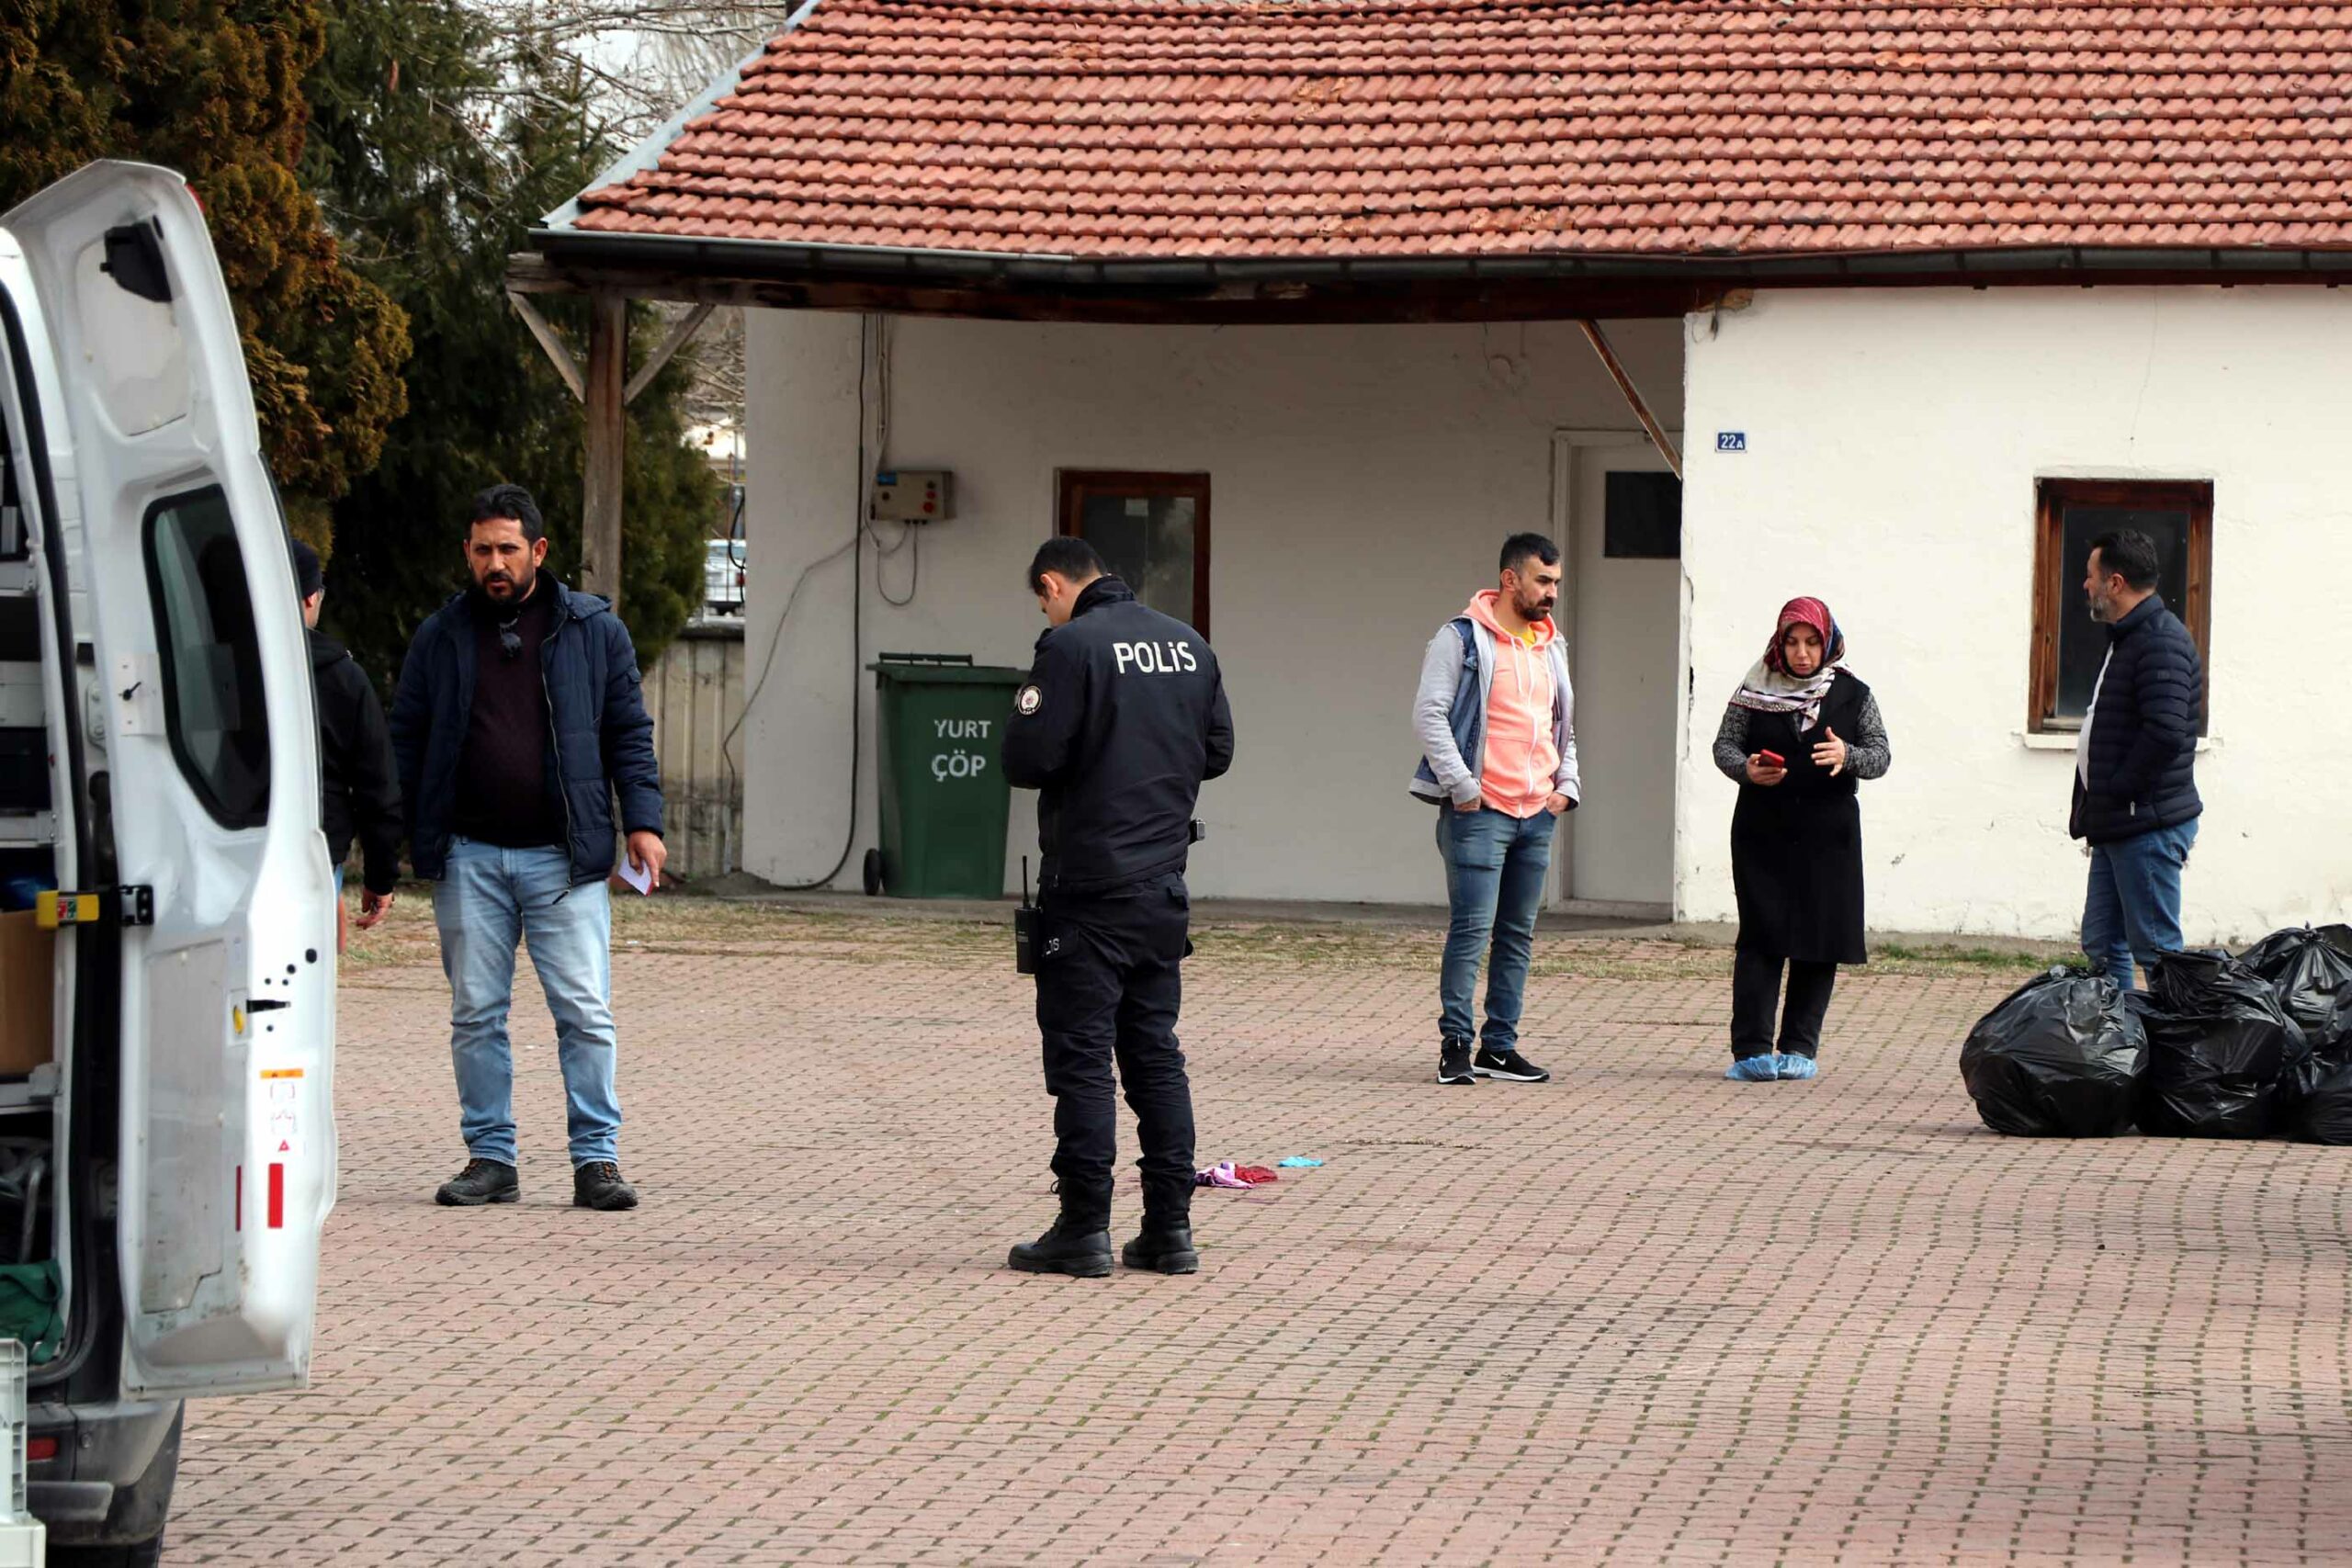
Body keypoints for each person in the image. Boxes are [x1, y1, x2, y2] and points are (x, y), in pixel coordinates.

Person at [389, 484, 665, 1212]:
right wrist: (392, 842)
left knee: (583, 1010)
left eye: (508, 547)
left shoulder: (593, 630)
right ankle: (491, 1157)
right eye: (482, 549)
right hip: (469, 855)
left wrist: (644, 822)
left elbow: (628, 732)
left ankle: (596, 1160)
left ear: (539, 551)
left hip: (563, 858)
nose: (495, 562)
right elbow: (406, 742)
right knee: (476, 1012)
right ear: (467, 553)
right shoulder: (440, 636)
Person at [1001, 537, 1234, 1279]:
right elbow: (1219, 749)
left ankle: (1083, 1227)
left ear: (1053, 583)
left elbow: (1026, 759)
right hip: (1162, 890)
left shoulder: (1070, 648)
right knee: (1156, 1059)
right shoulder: (1188, 644)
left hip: (1088, 893)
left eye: (1044, 599)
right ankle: (1169, 1229)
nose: (1046, 609)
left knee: (1082, 1063)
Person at [1409, 533, 1578, 1088]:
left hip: (1537, 811)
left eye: (1556, 582)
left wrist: (1566, 785)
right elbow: (1430, 716)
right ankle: (1456, 1045)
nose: (1552, 592)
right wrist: (1462, 786)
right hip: (1480, 812)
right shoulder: (1460, 639)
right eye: (1542, 581)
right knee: (1471, 931)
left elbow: (1561, 724)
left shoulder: (1550, 646)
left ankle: (1499, 1048)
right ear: (1510, 580)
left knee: (1517, 934)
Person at [1712, 597, 1892, 1080]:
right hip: (1763, 829)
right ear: (1779, 643)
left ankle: (1799, 1047)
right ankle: (1751, 1049)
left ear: (1827, 641)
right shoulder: (1754, 688)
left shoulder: (1854, 694)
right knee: (1762, 935)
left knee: (1819, 936)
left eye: (1812, 642)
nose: (1802, 653)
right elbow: (1724, 746)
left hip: (1828, 833)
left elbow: (1880, 756)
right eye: (1792, 642)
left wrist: (1847, 755)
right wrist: (1745, 769)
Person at [2070, 529, 2202, 989]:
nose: (2084, 584)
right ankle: (2122, 1049)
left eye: (2090, 576)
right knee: (2104, 944)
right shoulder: (2127, 638)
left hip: (2144, 824)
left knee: (2157, 951)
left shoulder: (2160, 641)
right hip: (2119, 822)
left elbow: (2164, 734)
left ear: (2115, 582)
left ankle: (2179, 1056)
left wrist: (2120, 789)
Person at [290, 539, 401, 934]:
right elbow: (377, 784)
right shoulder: (344, 678)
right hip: (317, 848)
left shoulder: (218, 666)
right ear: (309, 598)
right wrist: (380, 875)